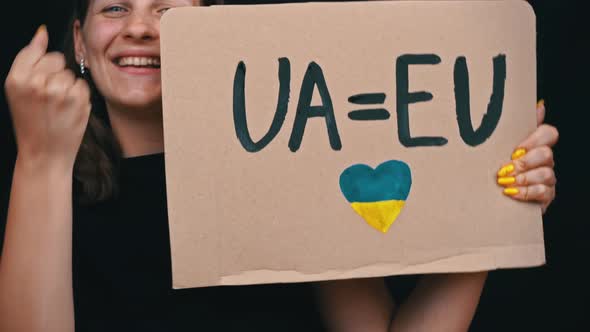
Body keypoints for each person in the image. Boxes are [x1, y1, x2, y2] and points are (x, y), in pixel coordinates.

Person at [0, 0, 558, 331]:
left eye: (168, 8)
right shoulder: (50, 187)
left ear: (214, 33)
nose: (142, 26)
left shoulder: (289, 168)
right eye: (115, 7)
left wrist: (493, 215)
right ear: (78, 38)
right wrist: (41, 160)